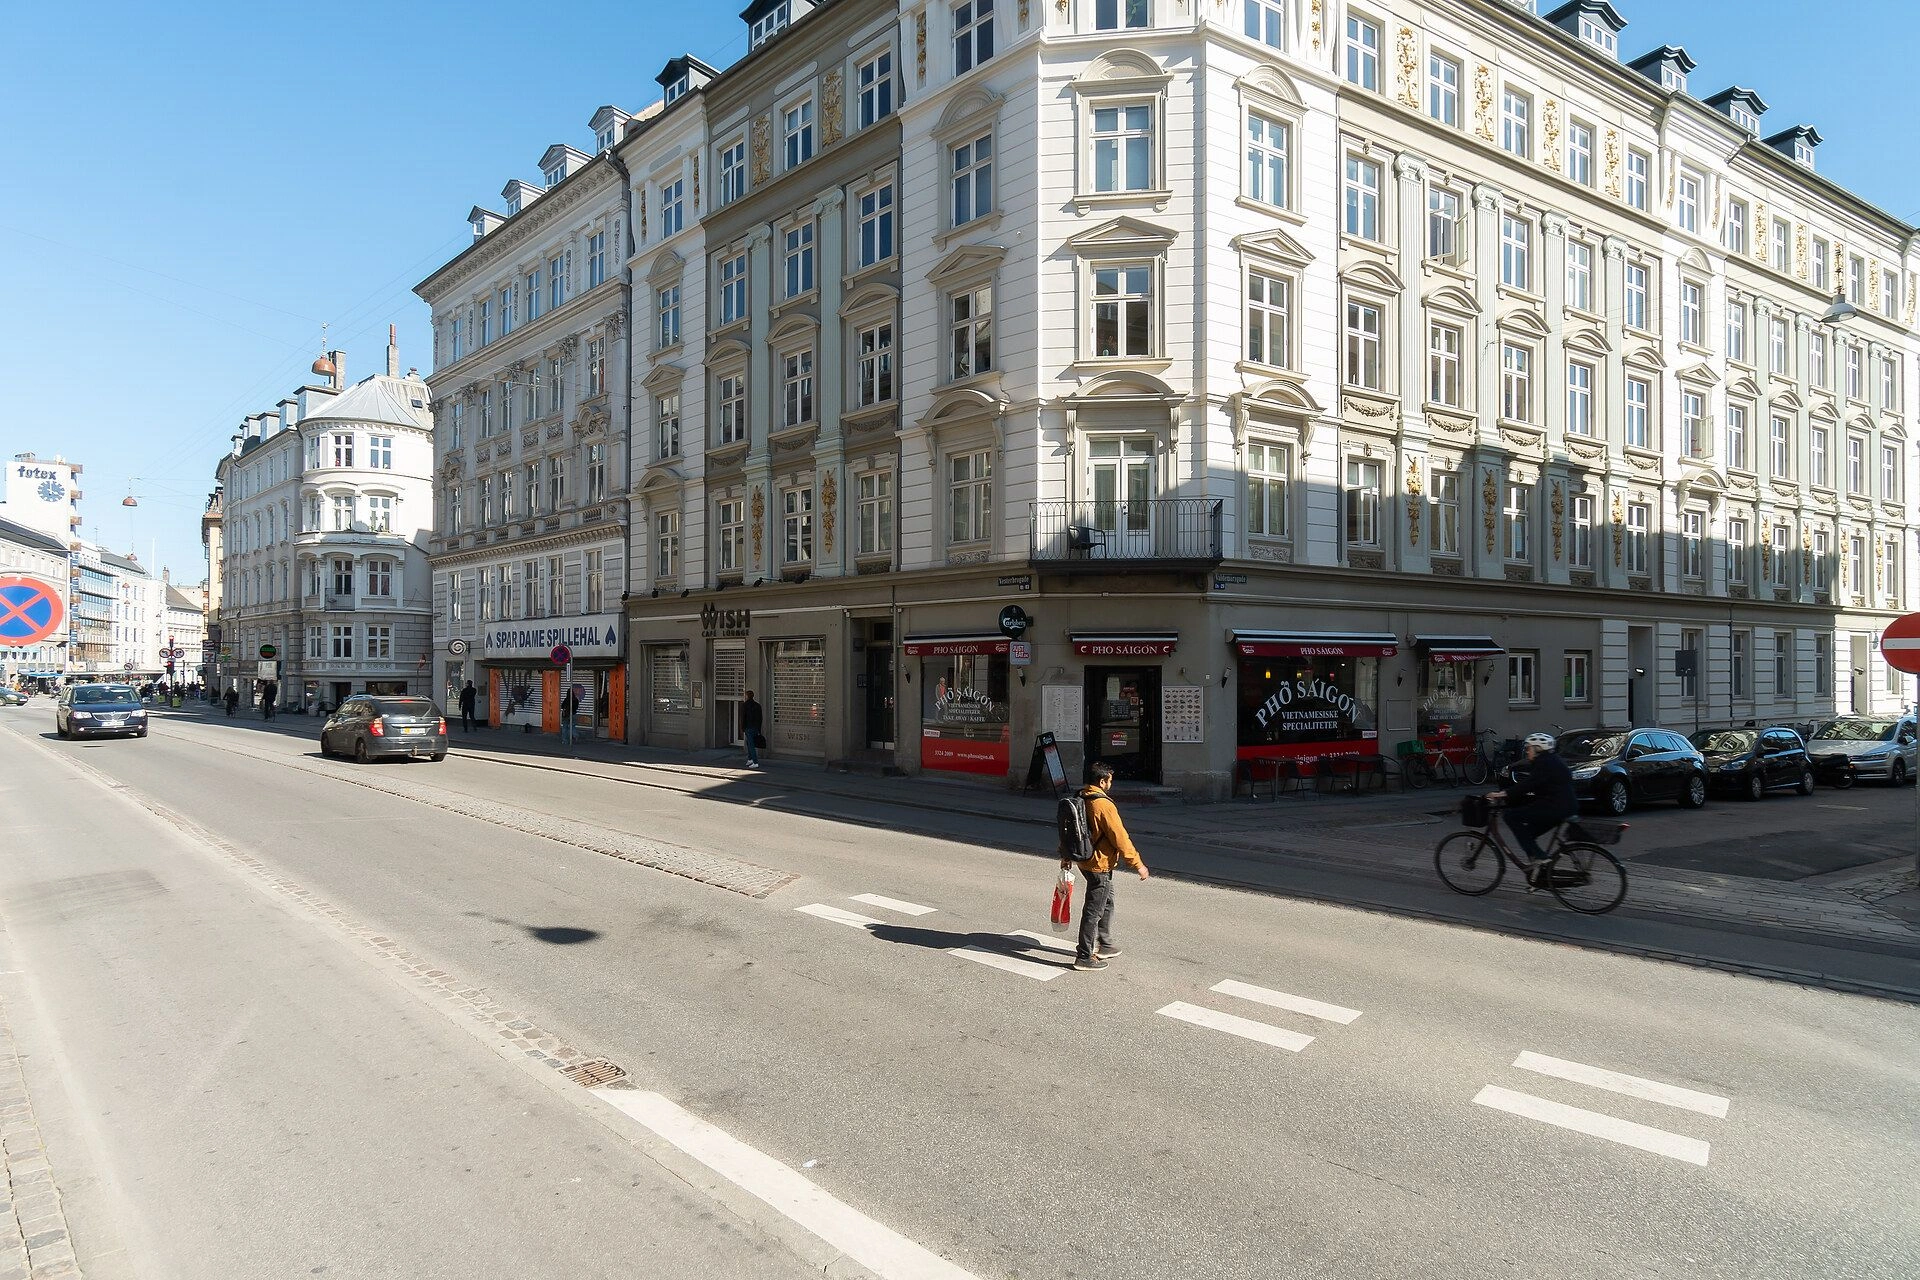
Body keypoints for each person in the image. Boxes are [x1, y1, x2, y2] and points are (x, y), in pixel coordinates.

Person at [1061, 761, 1150, 972]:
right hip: (1099, 864)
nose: (1111, 784)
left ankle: (1106, 943)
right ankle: (1084, 955)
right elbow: (1120, 837)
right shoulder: (1104, 805)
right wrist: (1137, 864)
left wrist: (1065, 856)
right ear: (1102, 781)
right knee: (1094, 910)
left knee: (1107, 901)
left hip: (1084, 860)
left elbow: (1069, 830)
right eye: (1110, 780)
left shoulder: (1080, 796)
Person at [1488, 731, 1578, 887]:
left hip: (1555, 807)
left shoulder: (1544, 763)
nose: (1527, 751)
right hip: (1564, 806)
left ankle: (1541, 857)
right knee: (1528, 833)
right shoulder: (1552, 760)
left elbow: (1529, 784)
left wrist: (1503, 794)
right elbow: (1538, 786)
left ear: (1537, 749)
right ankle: (1538, 871)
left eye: (1529, 748)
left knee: (1510, 816)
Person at [740, 691, 763, 769]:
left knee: (751, 745)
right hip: (755, 727)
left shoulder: (745, 705)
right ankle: (750, 759)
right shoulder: (758, 705)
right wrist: (759, 729)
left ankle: (755, 762)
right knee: (748, 743)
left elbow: (743, 717)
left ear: (747, 696)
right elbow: (760, 718)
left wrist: (742, 728)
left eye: (745, 695)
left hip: (748, 727)